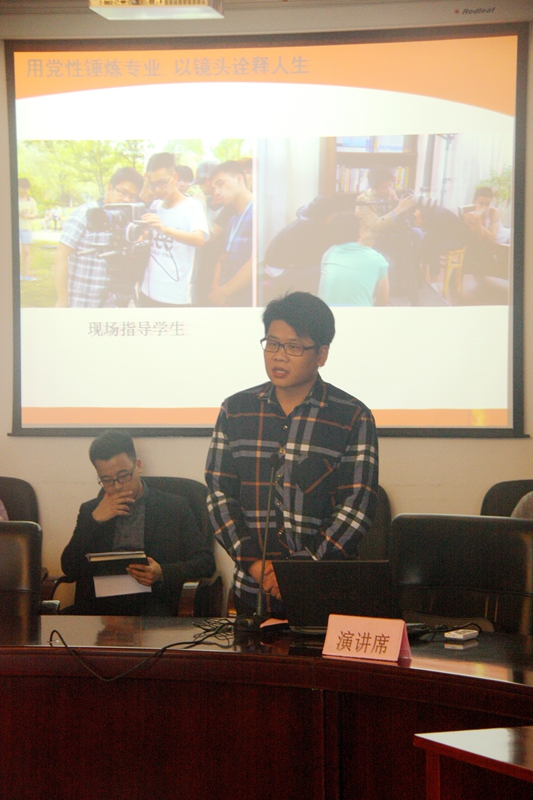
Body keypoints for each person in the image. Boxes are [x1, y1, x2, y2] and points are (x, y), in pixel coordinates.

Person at [205, 291, 379, 617]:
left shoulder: (352, 416)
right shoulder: (236, 410)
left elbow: (356, 506)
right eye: (272, 344)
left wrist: (300, 570)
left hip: (326, 593)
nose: (279, 356)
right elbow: (219, 495)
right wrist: (254, 562)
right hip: (253, 592)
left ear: (321, 354)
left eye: (293, 347)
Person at [61, 430, 215, 615]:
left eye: (124, 476)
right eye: (107, 480)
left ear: (138, 465)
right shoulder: (91, 510)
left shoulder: (174, 507)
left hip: (152, 604)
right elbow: (69, 568)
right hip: (99, 608)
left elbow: (206, 562)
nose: (117, 486)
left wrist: (162, 572)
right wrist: (94, 521)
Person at [54, 167, 144, 307]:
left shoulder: (127, 220)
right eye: (123, 192)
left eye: (132, 196)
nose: (126, 199)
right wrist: (62, 299)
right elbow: (61, 254)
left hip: (112, 304)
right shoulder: (85, 213)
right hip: (81, 302)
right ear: (109, 189)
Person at [139, 152, 209, 307]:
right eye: (153, 184)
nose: (158, 189)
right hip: (147, 290)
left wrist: (165, 229)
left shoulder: (192, 206)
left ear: (175, 177)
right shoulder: (155, 205)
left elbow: (199, 239)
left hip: (174, 296)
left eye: (162, 182)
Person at [319, 212, 389, 306]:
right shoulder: (377, 259)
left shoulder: (328, 254)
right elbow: (383, 301)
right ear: (359, 233)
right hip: (359, 314)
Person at [209, 160, 253, 307]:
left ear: (239, 179)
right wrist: (216, 288)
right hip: (229, 300)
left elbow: (258, 260)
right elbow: (224, 256)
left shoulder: (260, 212)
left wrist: (224, 291)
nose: (216, 192)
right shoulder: (232, 219)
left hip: (248, 300)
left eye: (220, 184)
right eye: (214, 188)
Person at [18, 178, 39, 282]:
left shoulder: (31, 201)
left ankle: (27, 274)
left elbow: (35, 214)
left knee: (26, 252)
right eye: (22, 188)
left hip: (27, 228)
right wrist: (19, 214)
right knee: (18, 251)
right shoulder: (14, 199)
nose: (25, 190)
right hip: (17, 228)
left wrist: (27, 215)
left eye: (26, 188)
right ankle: (17, 273)